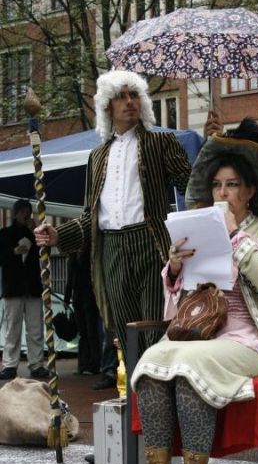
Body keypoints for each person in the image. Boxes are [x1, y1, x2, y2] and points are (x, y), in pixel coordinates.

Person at [129, 119, 258, 464]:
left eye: (233, 185)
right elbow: (177, 308)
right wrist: (176, 268)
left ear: (250, 191)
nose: (223, 193)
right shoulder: (199, 224)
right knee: (151, 362)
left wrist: (236, 236)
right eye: (218, 185)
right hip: (200, 334)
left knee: (187, 367)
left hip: (252, 338)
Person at [34, 70, 197, 364]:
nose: (129, 101)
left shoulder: (161, 143)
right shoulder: (97, 156)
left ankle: (156, 398)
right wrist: (58, 235)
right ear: (108, 105)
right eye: (121, 96)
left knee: (155, 326)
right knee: (125, 331)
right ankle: (134, 400)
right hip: (110, 249)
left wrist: (211, 144)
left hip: (150, 244)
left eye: (134, 95)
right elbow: (90, 217)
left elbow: (193, 187)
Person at [0, 199, 49, 380]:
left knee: (35, 327)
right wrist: (13, 253)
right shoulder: (4, 234)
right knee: (12, 328)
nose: (25, 214)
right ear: (15, 213)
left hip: (33, 287)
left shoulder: (36, 234)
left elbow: (45, 254)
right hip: (13, 288)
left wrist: (34, 230)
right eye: (22, 211)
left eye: (28, 211)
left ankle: (36, 364)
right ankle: (9, 365)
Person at [64, 247, 101, 376]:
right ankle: (84, 364)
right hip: (78, 294)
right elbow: (69, 278)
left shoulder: (88, 254)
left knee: (90, 331)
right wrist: (67, 297)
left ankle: (93, 364)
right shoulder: (73, 256)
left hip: (88, 294)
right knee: (83, 331)